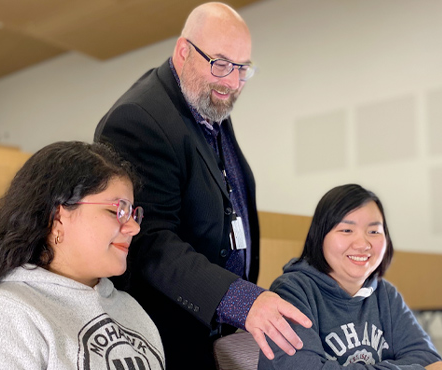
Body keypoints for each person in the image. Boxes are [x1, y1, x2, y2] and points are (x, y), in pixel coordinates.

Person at [94, 2, 311, 369]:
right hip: (169, 334)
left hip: (214, 330)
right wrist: (239, 299)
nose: (232, 81)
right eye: (221, 63)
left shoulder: (206, 98)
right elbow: (149, 242)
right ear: (183, 52)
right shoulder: (138, 119)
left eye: (242, 68)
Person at [0, 141, 164, 370]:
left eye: (133, 213)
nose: (134, 227)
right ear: (58, 217)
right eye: (118, 210)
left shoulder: (131, 309)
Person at [259, 184, 442, 370]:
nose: (363, 244)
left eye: (374, 231)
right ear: (320, 236)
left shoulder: (385, 294)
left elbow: (427, 358)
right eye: (346, 230)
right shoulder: (291, 292)